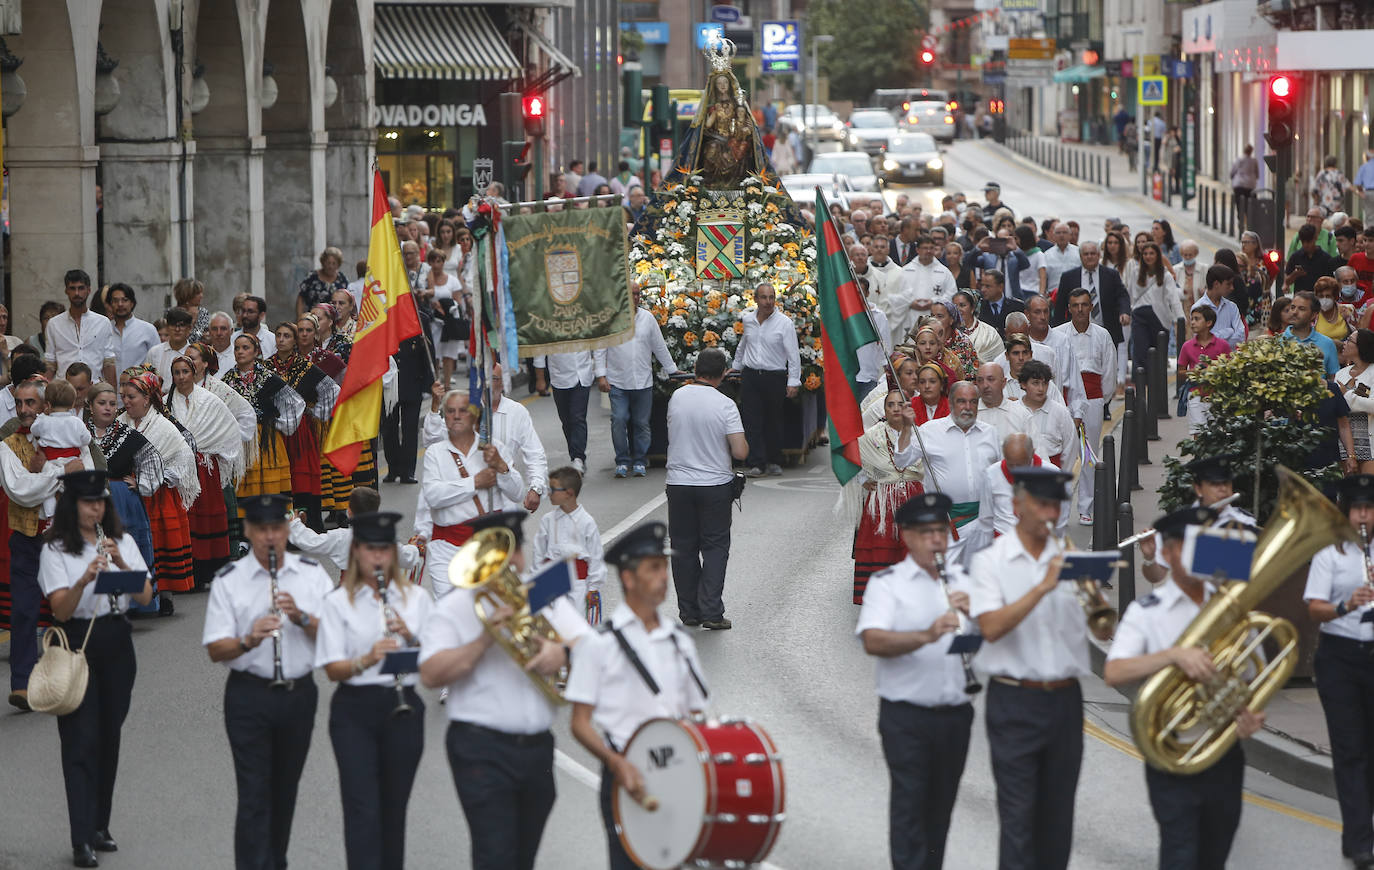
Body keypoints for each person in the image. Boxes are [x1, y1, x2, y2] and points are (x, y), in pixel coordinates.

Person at [419, 509, 590, 870]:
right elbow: (431, 675)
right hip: (480, 748)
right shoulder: (455, 606)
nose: (511, 562)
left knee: (523, 857)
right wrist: (484, 639)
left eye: (514, 550)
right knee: (495, 855)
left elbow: (594, 649)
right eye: (500, 552)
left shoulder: (538, 593)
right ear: (478, 555)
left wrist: (562, 651)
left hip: (536, 748)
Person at [1107, 503, 1266, 868]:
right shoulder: (1147, 610)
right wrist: (1173, 656)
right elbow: (1114, 671)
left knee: (1215, 855)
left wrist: (1247, 712)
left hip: (1222, 752)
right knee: (1180, 854)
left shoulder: (1230, 606)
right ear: (1168, 551)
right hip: (1171, 751)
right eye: (1188, 543)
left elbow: (1250, 674)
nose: (1199, 551)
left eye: (1203, 541)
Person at [970, 467, 1096, 870]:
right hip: (1014, 700)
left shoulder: (1070, 558)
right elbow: (990, 626)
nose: (1050, 514)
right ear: (1017, 506)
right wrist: (1042, 586)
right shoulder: (991, 562)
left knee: (1058, 822)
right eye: (1042, 504)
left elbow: (1099, 625)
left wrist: (1093, 590)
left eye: (1056, 505)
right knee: (1019, 820)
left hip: (1065, 700)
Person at [566, 521, 710, 870]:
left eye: (665, 567)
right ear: (629, 579)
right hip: (626, 777)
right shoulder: (599, 644)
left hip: (677, 776)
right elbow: (580, 723)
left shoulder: (679, 641)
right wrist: (617, 765)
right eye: (654, 568)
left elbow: (700, 714)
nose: (664, 577)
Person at [202, 493, 333, 870]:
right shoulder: (230, 579)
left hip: (298, 695)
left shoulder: (310, 574)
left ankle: (276, 861)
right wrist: (249, 639)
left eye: (277, 528)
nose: (270, 537)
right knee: (254, 794)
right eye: (262, 530)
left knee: (284, 791)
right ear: (249, 531)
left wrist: (304, 618)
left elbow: (335, 637)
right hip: (248, 696)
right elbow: (216, 649)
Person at [39, 470, 154, 869]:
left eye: (101, 502)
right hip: (77, 642)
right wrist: (85, 579)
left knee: (109, 737)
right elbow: (59, 609)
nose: (97, 509)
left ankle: (100, 826)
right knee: (80, 742)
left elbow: (145, 594)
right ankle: (80, 837)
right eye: (89, 503)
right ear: (73, 507)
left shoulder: (118, 540)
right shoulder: (56, 550)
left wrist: (120, 562)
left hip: (116, 643)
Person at [857, 491, 975, 870]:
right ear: (906, 535)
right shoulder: (888, 585)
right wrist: (926, 634)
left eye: (941, 530)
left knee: (941, 810)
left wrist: (981, 623)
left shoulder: (962, 582)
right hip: (906, 717)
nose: (936, 540)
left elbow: (984, 645)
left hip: (957, 714)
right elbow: (873, 640)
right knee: (910, 806)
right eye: (926, 533)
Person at [315, 510, 430, 870]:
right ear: (357, 553)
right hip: (355, 710)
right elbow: (333, 669)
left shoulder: (416, 599)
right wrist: (367, 659)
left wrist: (409, 636)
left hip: (404, 706)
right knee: (362, 809)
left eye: (384, 549)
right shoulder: (337, 603)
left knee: (394, 810)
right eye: (369, 549)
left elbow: (434, 663)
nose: (377, 557)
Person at [4, 378, 95, 710]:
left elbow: (88, 476)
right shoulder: (8, 445)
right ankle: (23, 685)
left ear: (44, 407)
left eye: (31, 403)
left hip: (65, 536)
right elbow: (20, 490)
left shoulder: (70, 432)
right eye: (19, 403)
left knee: (68, 610)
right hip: (28, 539)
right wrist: (61, 473)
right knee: (24, 612)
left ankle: (69, 680)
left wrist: (52, 472)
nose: (24, 410)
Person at [1305, 474, 1374, 869]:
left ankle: (1361, 826)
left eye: (1369, 509)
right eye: (1357, 509)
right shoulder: (1331, 554)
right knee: (1350, 750)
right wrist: (1347, 604)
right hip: (1340, 656)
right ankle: (1359, 838)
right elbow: (1314, 608)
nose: (1363, 516)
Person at [666, 349, 747, 629]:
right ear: (724, 373)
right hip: (714, 485)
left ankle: (689, 611)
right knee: (714, 548)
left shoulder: (677, 397)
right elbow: (740, 451)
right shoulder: (725, 404)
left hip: (678, 483)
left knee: (683, 548)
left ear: (694, 368)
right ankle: (712, 611)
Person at [420, 390, 524, 598]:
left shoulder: (494, 448)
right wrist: (474, 483)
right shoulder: (435, 453)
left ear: (474, 415)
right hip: (447, 548)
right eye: (450, 411)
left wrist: (502, 467)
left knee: (490, 614)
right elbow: (433, 495)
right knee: (450, 614)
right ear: (445, 416)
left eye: (463, 411)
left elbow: (518, 493)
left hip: (489, 546)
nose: (456, 416)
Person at [894, 381, 1000, 567]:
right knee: (944, 581)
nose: (967, 407)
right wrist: (906, 428)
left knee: (979, 580)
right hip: (944, 523)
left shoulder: (990, 433)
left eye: (973, 402)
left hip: (983, 521)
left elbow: (1001, 475)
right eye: (961, 401)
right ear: (950, 403)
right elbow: (901, 460)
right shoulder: (929, 431)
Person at [120, 370, 199, 607]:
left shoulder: (163, 426)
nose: (126, 402)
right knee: (132, 545)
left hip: (159, 495)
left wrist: (152, 478)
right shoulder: (119, 424)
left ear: (146, 399)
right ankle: (133, 599)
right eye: (123, 396)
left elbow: (184, 458)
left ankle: (164, 595)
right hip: (129, 494)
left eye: (131, 397)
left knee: (160, 544)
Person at [167, 355, 242, 590]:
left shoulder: (210, 400)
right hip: (180, 471)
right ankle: (191, 572)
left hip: (206, 470)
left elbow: (229, 429)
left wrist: (213, 449)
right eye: (176, 373)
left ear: (193, 373)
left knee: (208, 516)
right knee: (187, 520)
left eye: (185, 372)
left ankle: (213, 569)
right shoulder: (166, 403)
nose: (181, 377)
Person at [594, 282, 680, 478]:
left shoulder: (647, 319)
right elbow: (600, 348)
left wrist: (672, 370)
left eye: (637, 294)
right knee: (618, 420)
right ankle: (622, 461)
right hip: (617, 382)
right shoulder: (610, 320)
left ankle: (640, 460)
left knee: (642, 423)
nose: (634, 297)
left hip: (643, 381)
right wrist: (601, 376)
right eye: (630, 294)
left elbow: (659, 347)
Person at [850, 389, 926, 604]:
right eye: (890, 405)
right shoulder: (871, 435)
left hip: (913, 500)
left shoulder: (919, 433)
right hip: (882, 503)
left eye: (900, 404)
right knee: (882, 550)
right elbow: (853, 458)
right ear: (884, 410)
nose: (895, 409)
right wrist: (863, 480)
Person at [222, 333, 307, 521]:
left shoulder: (268, 377)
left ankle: (279, 525)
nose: (240, 352)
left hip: (267, 439)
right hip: (242, 441)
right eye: (237, 348)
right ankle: (247, 534)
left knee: (269, 483)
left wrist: (278, 423)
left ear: (256, 352)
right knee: (245, 483)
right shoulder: (227, 381)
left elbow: (295, 403)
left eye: (246, 348)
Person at [1139, 453, 1257, 586]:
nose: (1223, 489)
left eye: (1226, 483)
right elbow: (1156, 577)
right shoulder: (1178, 524)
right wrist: (1150, 558)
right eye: (1215, 484)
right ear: (1198, 489)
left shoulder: (1246, 523)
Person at [735, 282, 800, 477]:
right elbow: (743, 344)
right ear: (755, 299)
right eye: (763, 297)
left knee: (773, 421)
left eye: (771, 297)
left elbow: (793, 354)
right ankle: (756, 463)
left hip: (774, 377)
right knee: (752, 421)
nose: (768, 302)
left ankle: (774, 460)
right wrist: (736, 366)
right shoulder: (748, 320)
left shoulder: (784, 323)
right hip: (751, 376)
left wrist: (793, 381)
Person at [532, 465, 605, 623]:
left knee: (577, 625)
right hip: (552, 581)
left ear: (569, 493)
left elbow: (596, 557)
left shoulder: (587, 522)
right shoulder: (547, 520)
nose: (549, 493)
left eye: (553, 489)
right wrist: (537, 582)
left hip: (578, 585)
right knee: (553, 624)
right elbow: (538, 553)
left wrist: (593, 588)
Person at [32, 380, 93, 520]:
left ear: (48, 404)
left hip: (50, 462)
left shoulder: (43, 421)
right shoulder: (76, 422)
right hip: (72, 462)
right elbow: (86, 440)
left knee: (48, 488)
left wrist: (42, 416)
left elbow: (33, 430)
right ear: (72, 403)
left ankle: (50, 515)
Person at [46, 270, 117, 387]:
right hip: (63, 389)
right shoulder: (54, 324)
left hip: (94, 390)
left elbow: (108, 362)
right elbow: (50, 364)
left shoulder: (103, 322)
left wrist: (112, 395)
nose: (77, 293)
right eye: (72, 288)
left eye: (81, 288)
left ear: (89, 290)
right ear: (66, 291)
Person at [533, 349, 595, 473]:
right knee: (566, 421)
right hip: (559, 378)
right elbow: (540, 349)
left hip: (582, 375)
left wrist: (601, 372)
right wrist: (540, 379)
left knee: (578, 417)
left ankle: (579, 458)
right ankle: (574, 455)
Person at [1126, 241, 1183, 374]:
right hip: (1139, 316)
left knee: (1158, 352)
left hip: (1159, 317)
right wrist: (1127, 312)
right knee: (1140, 351)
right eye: (1145, 253)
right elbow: (1130, 294)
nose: (1148, 256)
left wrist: (1180, 319)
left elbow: (1173, 298)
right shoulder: (1135, 273)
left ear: (1157, 255)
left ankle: (1157, 387)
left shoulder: (1165, 275)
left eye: (1152, 253)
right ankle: (1140, 386)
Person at [1176, 304, 1231, 434]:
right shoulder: (1187, 346)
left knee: (1217, 431)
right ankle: (1199, 454)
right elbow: (1180, 372)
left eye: (1197, 319)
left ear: (1209, 323)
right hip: (1195, 393)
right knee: (1198, 431)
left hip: (1217, 394)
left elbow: (1230, 369)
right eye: (1192, 319)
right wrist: (1193, 372)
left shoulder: (1222, 345)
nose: (1193, 322)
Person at [1337, 329, 1374, 473]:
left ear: (1361, 346)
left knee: (1369, 493)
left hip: (1369, 445)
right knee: (1349, 494)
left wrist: (1347, 396)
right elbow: (1338, 410)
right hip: (1345, 444)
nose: (1344, 343)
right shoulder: (1341, 374)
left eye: (1349, 340)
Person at [1283, 291, 1341, 378]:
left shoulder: (1327, 343)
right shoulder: (1277, 341)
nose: (1294, 312)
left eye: (1301, 309)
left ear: (1313, 315)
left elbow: (1334, 379)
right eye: (1292, 307)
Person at [106, 283, 160, 375]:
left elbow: (157, 362)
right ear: (110, 304)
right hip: (111, 387)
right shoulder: (105, 329)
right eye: (115, 301)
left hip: (140, 387)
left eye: (124, 300)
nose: (120, 304)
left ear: (132, 303)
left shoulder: (148, 330)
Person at [974, 362, 1032, 445]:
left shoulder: (1021, 414)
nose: (985, 385)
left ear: (1004, 382)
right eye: (980, 381)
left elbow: (1038, 452)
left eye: (990, 379)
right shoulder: (970, 415)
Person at [144, 307, 194, 385]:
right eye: (173, 325)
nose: (177, 329)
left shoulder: (194, 354)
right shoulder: (154, 352)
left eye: (181, 325)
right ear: (167, 327)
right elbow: (147, 381)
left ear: (189, 328)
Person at [1286, 224, 1340, 294]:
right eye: (1303, 242)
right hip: (1301, 297)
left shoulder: (1326, 258)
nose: (1305, 245)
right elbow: (1287, 282)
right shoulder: (1295, 257)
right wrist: (1295, 274)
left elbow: (1332, 282)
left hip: (1319, 297)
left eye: (1308, 242)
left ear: (1315, 238)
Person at [298, 246, 349, 318]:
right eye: (328, 263)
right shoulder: (312, 277)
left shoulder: (342, 280)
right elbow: (301, 298)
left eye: (334, 263)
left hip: (334, 320)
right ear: (323, 262)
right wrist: (300, 317)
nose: (330, 266)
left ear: (338, 265)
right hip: (312, 319)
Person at [976, 270, 1025, 334]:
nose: (983, 290)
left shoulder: (1017, 307)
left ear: (1000, 287)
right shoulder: (978, 307)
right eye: (982, 285)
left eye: (987, 286)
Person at [1041, 222, 1080, 292]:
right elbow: (1043, 278)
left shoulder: (1078, 252)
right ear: (1053, 235)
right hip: (1053, 295)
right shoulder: (1047, 255)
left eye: (1064, 232)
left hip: (1075, 294)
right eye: (1058, 233)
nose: (1061, 235)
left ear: (1070, 235)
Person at [1231, 144, 1260, 231]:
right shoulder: (1254, 161)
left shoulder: (1239, 159)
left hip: (1239, 185)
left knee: (1239, 205)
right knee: (1250, 206)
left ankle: (1241, 223)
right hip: (1250, 186)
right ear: (1251, 151)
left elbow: (1232, 172)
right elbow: (1257, 174)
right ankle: (1250, 225)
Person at [174, 277, 212, 344]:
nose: (201, 296)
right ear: (187, 295)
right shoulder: (172, 314)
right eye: (198, 293)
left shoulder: (203, 313)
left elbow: (205, 337)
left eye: (201, 292)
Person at [207, 311, 237, 377]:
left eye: (223, 329)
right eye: (214, 329)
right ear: (209, 332)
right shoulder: (203, 356)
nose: (219, 333)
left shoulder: (239, 356)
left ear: (231, 331)